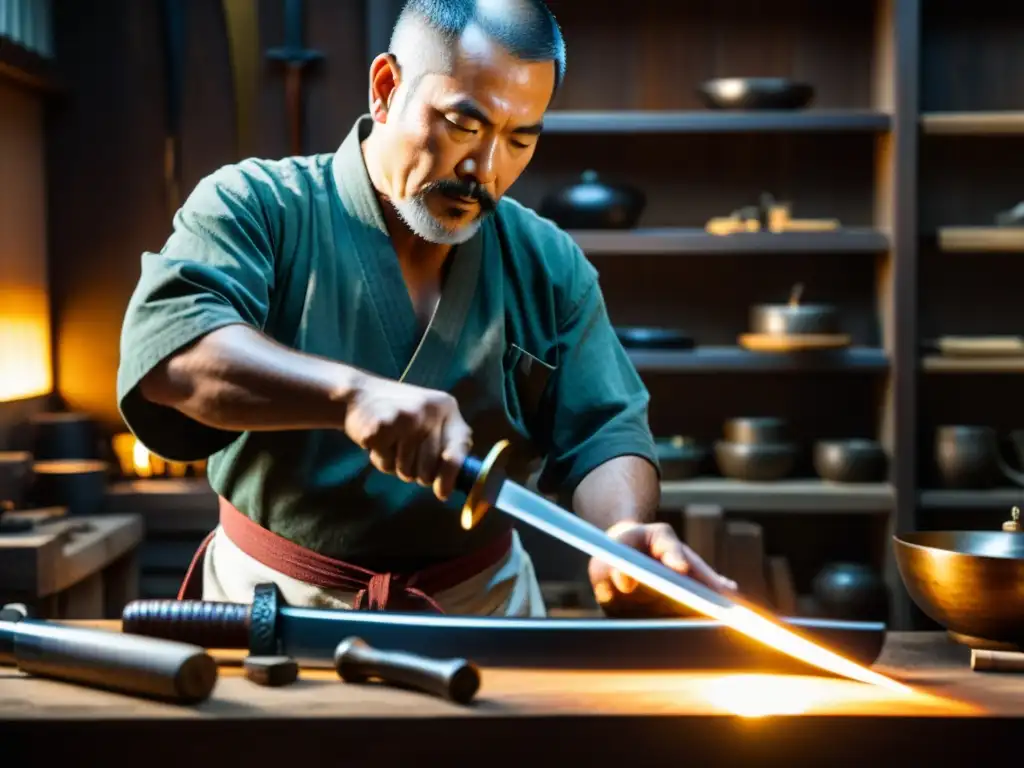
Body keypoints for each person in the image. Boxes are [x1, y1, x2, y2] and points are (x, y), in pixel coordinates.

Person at [116, 0, 737, 617]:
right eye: (464, 126)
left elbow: (606, 429)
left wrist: (622, 530)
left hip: (481, 610)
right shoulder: (258, 206)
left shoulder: (548, 262)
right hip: (275, 606)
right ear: (386, 88)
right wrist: (349, 397)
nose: (484, 170)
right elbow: (174, 354)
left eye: (520, 139)